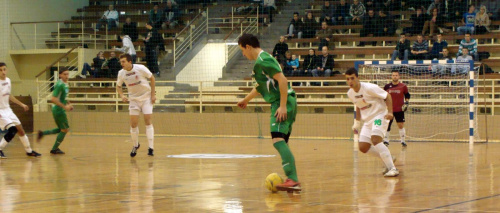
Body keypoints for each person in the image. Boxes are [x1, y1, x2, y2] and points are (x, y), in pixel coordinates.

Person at [236, 34, 301, 191]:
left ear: (248, 47)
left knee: (277, 140)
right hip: (281, 102)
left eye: (242, 51)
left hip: (281, 102)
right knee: (280, 141)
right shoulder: (261, 63)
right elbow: (260, 87)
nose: (243, 55)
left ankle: (292, 179)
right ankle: (292, 179)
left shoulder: (264, 59)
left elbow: (283, 80)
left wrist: (283, 106)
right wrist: (246, 100)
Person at [346, 68, 399, 177]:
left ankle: (393, 168)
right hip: (368, 120)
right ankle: (389, 158)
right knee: (363, 147)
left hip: (379, 115)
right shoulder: (350, 94)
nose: (350, 81)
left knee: (375, 139)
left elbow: (387, 96)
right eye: (347, 79)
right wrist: (357, 122)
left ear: (358, 78)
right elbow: (358, 105)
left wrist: (390, 112)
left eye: (352, 78)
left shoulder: (369, 88)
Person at [116, 54, 156, 157]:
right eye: (121, 62)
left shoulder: (140, 68)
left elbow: (152, 79)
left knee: (147, 121)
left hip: (146, 98)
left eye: (123, 61)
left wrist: (153, 95)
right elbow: (118, 86)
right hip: (133, 100)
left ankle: (151, 148)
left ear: (130, 62)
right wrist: (122, 96)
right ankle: (135, 145)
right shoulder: (121, 73)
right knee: (133, 124)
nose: (122, 64)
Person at [0, 63, 41, 158]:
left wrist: (22, 104)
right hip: (1, 111)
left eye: (4, 69)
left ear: (7, 70)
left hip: (8, 110)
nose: (3, 72)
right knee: (12, 130)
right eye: (0, 70)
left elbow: (9, 95)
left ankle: (29, 151)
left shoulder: (8, 81)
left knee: (20, 130)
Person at [37, 69, 73, 154]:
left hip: (59, 109)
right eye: (65, 74)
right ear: (60, 75)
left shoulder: (65, 84)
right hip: (58, 110)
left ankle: (42, 133)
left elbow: (63, 96)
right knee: (65, 130)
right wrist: (65, 107)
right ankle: (54, 149)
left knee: (61, 129)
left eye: (68, 74)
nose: (67, 76)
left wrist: (69, 103)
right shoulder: (59, 85)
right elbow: (53, 99)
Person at [383, 70, 410, 147]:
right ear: (391, 76)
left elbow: (407, 95)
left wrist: (407, 102)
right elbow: (383, 96)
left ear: (399, 76)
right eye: (393, 75)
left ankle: (403, 141)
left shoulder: (403, 86)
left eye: (396, 75)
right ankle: (386, 140)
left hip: (399, 109)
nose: (395, 76)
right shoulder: (387, 86)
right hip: (389, 110)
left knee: (400, 125)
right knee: (387, 125)